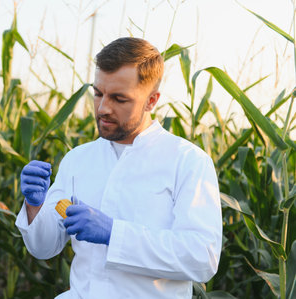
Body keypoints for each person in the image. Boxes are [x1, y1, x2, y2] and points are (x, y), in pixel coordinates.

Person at [15, 37, 222, 299]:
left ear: (151, 100)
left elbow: (202, 258)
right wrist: (35, 206)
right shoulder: (78, 159)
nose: (103, 108)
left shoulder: (188, 161)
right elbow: (43, 248)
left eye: (119, 99)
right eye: (98, 93)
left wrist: (115, 233)